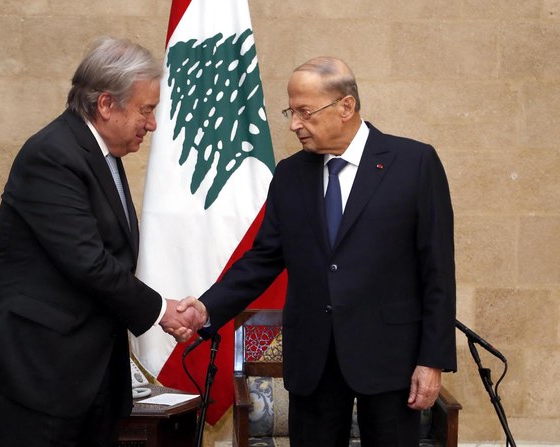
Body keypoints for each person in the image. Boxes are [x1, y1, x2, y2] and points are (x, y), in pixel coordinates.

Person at [180, 57, 457, 446]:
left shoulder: (414, 163)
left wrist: (432, 361)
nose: (294, 124)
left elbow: (438, 271)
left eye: (304, 112)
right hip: (314, 361)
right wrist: (207, 308)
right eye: (291, 112)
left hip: (390, 361)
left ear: (345, 107)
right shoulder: (291, 174)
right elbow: (264, 258)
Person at [0, 36, 202, 447]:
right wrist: (163, 310)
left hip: (88, 377)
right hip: (37, 374)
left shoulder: (101, 154)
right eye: (146, 109)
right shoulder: (52, 154)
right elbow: (87, 261)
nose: (153, 123)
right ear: (106, 104)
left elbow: (113, 258)